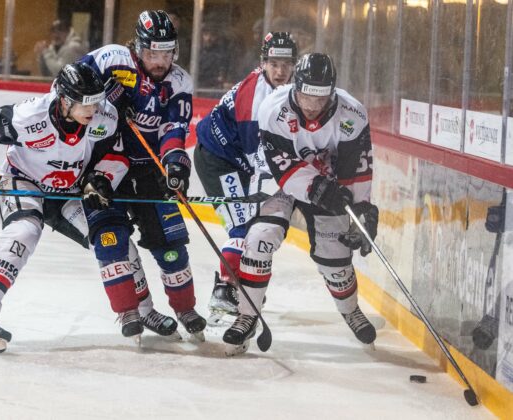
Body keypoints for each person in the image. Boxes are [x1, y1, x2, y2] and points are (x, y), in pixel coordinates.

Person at [0, 63, 123, 353]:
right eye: (86, 101)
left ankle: (140, 309)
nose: (94, 108)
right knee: (23, 231)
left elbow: (112, 154)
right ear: (64, 99)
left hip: (68, 191)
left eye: (97, 100)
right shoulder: (31, 116)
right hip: (23, 180)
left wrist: (101, 179)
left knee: (112, 237)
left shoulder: (105, 116)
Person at [222, 53, 379, 355]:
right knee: (259, 239)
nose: (312, 106)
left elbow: (357, 168)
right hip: (279, 178)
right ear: (296, 87)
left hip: (329, 180)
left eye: (321, 99)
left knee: (336, 253)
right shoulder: (273, 110)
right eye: (307, 96)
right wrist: (315, 185)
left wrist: (361, 210)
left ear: (332, 92)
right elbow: (281, 166)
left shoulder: (352, 114)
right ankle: (247, 314)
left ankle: (350, 310)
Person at [78, 10, 206, 339]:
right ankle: (130, 312)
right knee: (111, 239)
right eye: (153, 53)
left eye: (167, 53)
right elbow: (68, 86)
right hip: (103, 165)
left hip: (149, 168)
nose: (160, 61)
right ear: (137, 47)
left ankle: (185, 307)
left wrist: (176, 163)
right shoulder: (111, 59)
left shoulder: (178, 81)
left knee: (171, 243)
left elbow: (174, 129)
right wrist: (103, 90)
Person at [194, 32, 297, 325]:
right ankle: (224, 289)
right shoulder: (256, 98)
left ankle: (242, 282)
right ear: (262, 62)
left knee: (253, 223)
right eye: (274, 63)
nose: (280, 71)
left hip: (235, 158)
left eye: (286, 64)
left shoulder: (287, 88)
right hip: (218, 160)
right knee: (244, 225)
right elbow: (258, 162)